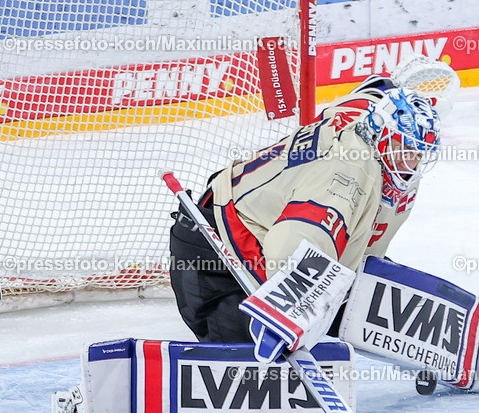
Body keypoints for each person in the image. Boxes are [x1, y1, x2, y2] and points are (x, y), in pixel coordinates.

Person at [169, 70, 441, 349]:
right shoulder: (347, 176)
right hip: (216, 252)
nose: (411, 162)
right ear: (381, 133)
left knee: (339, 287)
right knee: (259, 366)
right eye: (403, 147)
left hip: (244, 215)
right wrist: (286, 321)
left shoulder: (364, 118)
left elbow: (369, 92)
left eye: (419, 152)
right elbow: (291, 250)